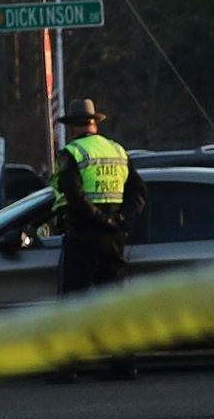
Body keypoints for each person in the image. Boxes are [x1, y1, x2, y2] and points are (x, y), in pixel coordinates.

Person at [51, 98, 146, 381]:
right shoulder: (117, 150)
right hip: (115, 237)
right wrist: (121, 220)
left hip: (84, 236)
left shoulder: (72, 152)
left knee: (73, 304)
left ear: (72, 127)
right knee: (115, 303)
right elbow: (139, 192)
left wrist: (98, 219)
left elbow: (74, 196)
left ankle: (68, 368)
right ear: (94, 122)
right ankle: (125, 365)